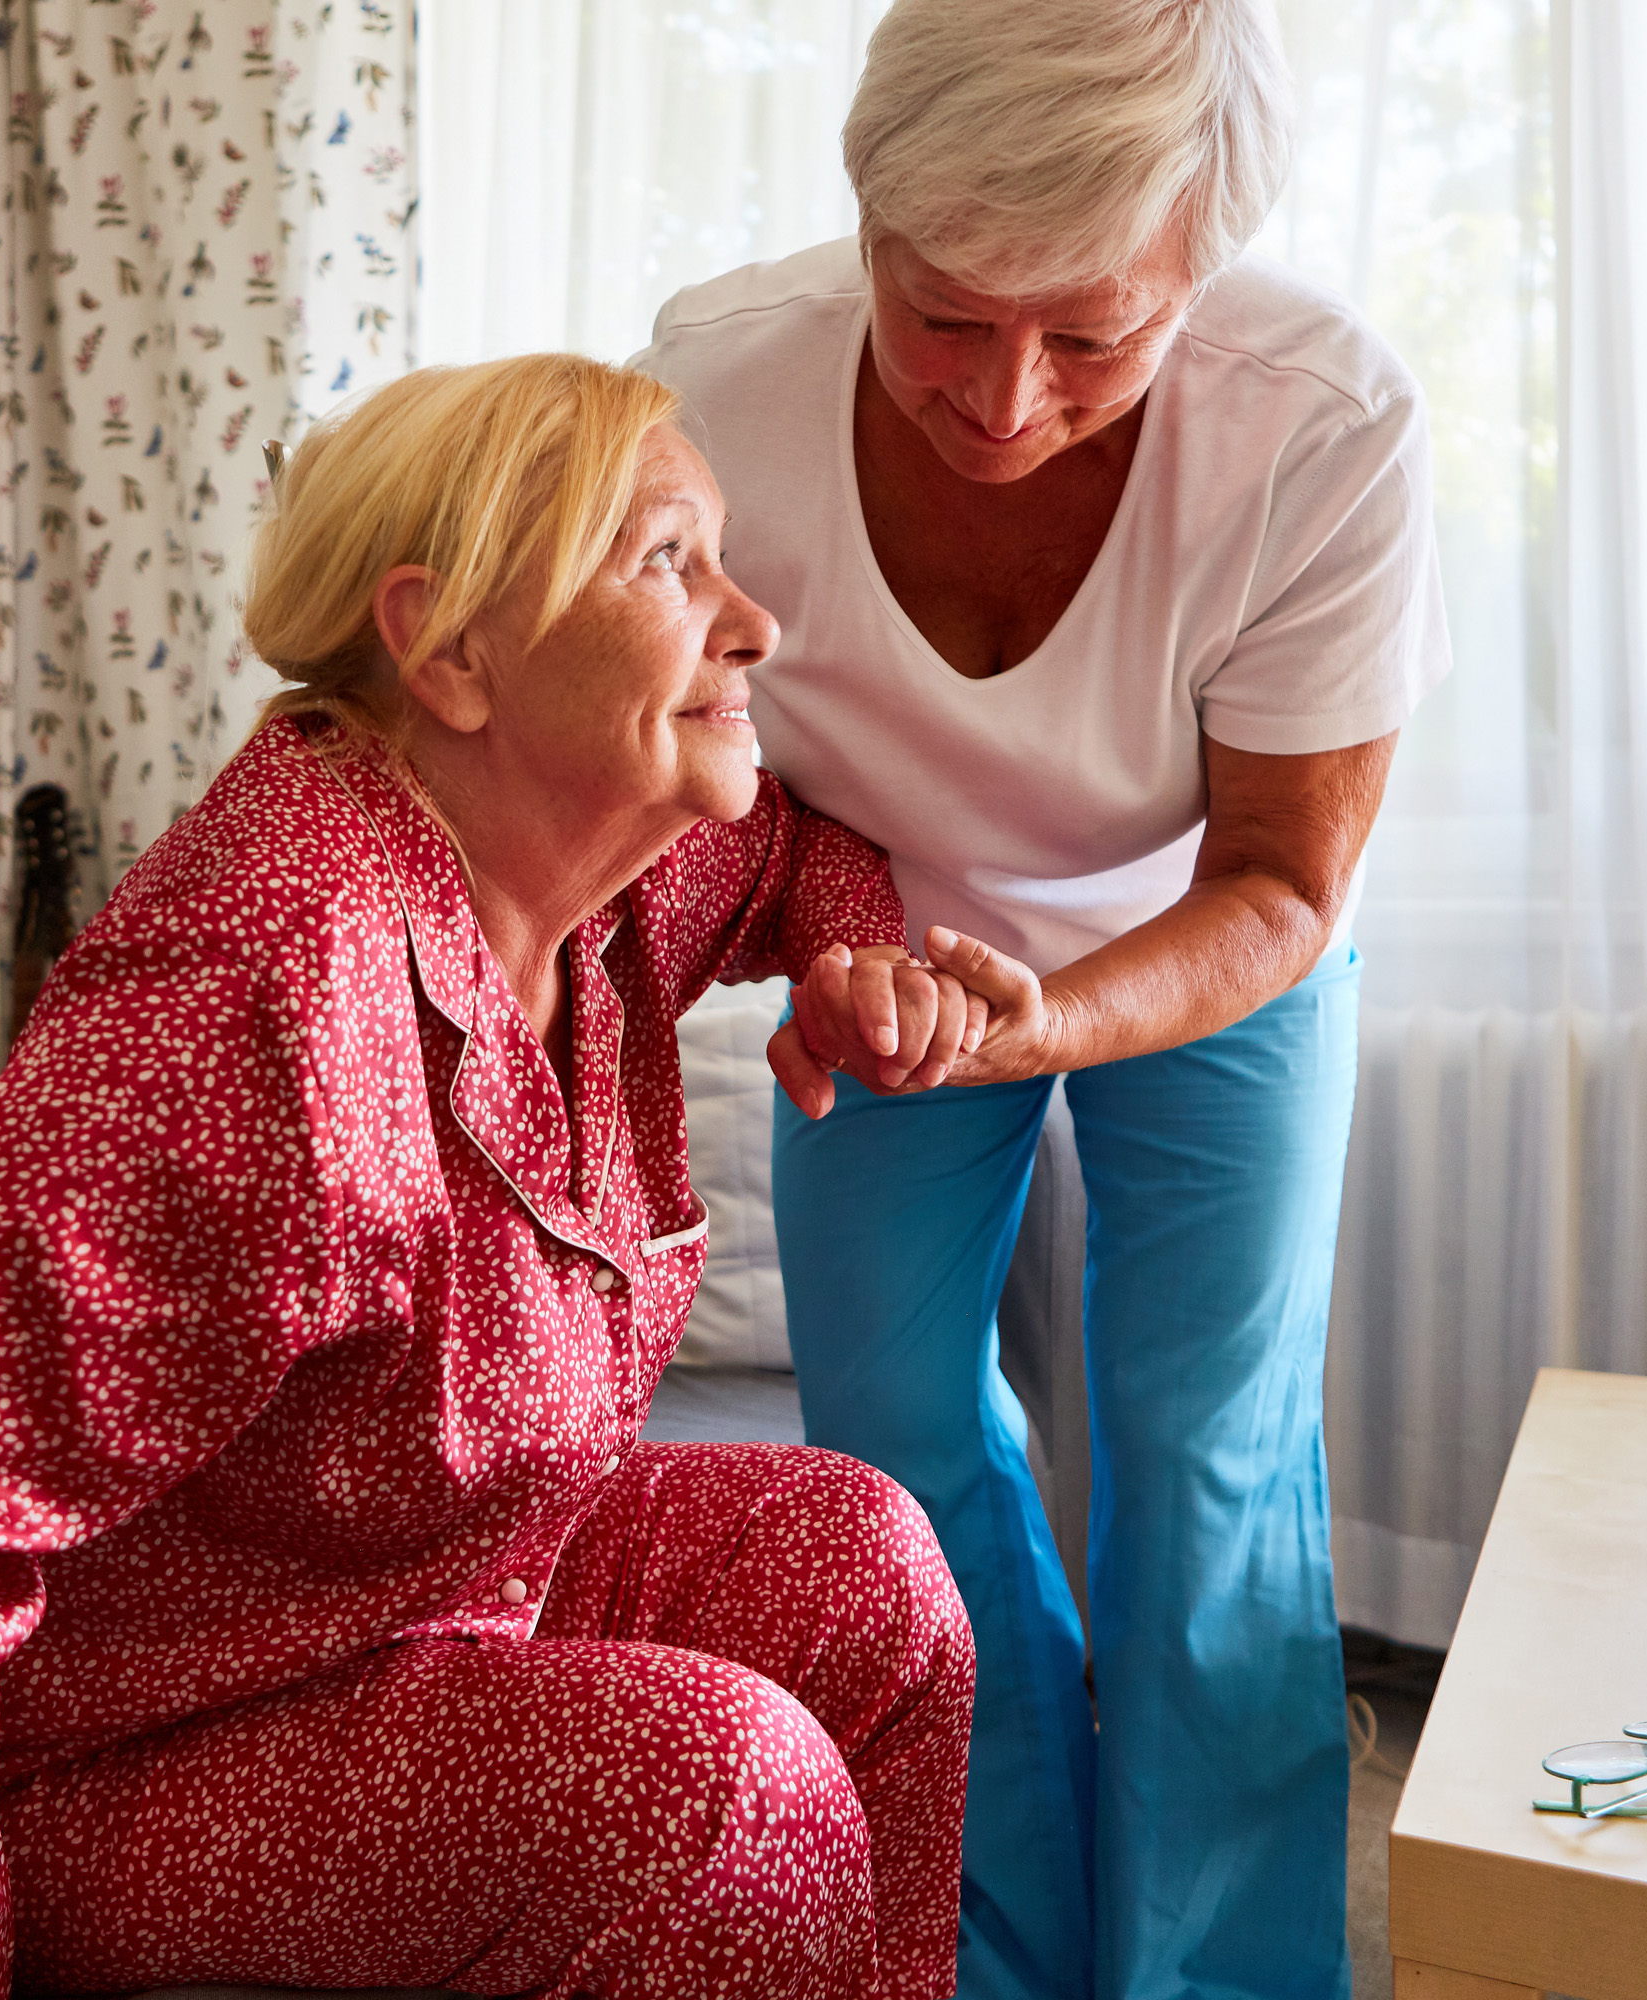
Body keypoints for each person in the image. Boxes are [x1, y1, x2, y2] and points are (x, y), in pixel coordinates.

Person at [0, 354, 986, 2000]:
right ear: (451, 649)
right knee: (717, 1791)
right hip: (144, 1746)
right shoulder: (268, 984)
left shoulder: (605, 879)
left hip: (438, 1596)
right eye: (666, 561)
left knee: (868, 1570)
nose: (750, 622)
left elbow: (802, 850)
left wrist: (850, 962)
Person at [637, 3, 1453, 1996]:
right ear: (871, 219)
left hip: (1217, 930)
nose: (1005, 398)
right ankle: (986, 1941)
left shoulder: (1323, 421)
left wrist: (1050, 1020)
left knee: (1205, 1447)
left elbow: (1281, 876)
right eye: (943, 316)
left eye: (1091, 336)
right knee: (889, 1439)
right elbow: (678, 752)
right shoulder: (708, 388)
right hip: (889, 935)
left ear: (1199, 273)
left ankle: (1223, 1971)